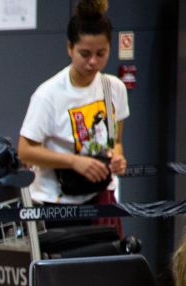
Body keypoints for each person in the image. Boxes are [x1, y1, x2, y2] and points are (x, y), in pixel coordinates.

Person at [17, 0, 128, 209]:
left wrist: (117, 157)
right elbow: (25, 151)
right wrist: (74, 161)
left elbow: (116, 141)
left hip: (101, 195)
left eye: (101, 53)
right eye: (85, 54)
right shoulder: (48, 94)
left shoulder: (114, 88)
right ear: (70, 47)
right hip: (56, 202)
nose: (93, 62)